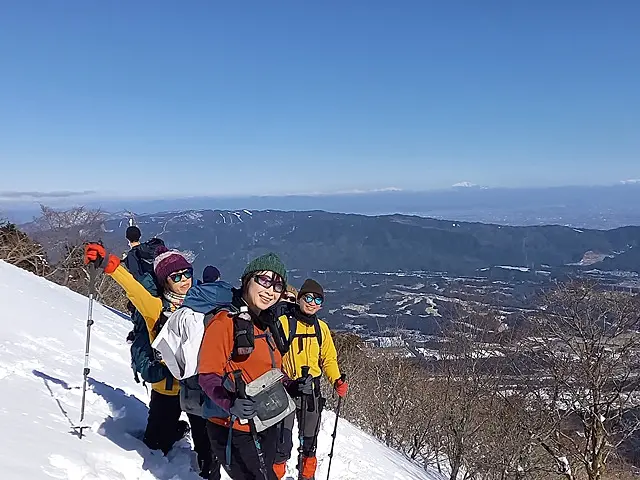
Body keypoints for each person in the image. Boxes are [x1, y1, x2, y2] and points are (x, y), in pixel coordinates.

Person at [83, 243, 217, 479]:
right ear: (166, 281)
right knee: (155, 443)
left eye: (188, 273)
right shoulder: (156, 307)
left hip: (197, 387)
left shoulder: (201, 303)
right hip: (166, 386)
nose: (185, 280)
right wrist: (109, 265)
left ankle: (208, 474)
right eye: (177, 276)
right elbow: (134, 289)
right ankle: (167, 446)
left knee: (205, 443)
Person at [198, 253, 311, 480]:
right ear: (247, 280)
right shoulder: (224, 322)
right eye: (264, 280)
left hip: (265, 423)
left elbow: (270, 372)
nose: (270, 290)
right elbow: (207, 375)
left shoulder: (266, 324)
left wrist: (292, 385)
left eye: (277, 285)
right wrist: (231, 403)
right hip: (231, 428)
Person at [273, 279, 348, 480]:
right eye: (308, 297)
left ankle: (307, 477)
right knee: (282, 444)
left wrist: (337, 380)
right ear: (299, 299)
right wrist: (287, 381)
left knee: (310, 443)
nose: (313, 302)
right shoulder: (284, 324)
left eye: (318, 299)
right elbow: (272, 358)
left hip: (312, 392)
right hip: (286, 389)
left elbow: (328, 359)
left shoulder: (321, 328)